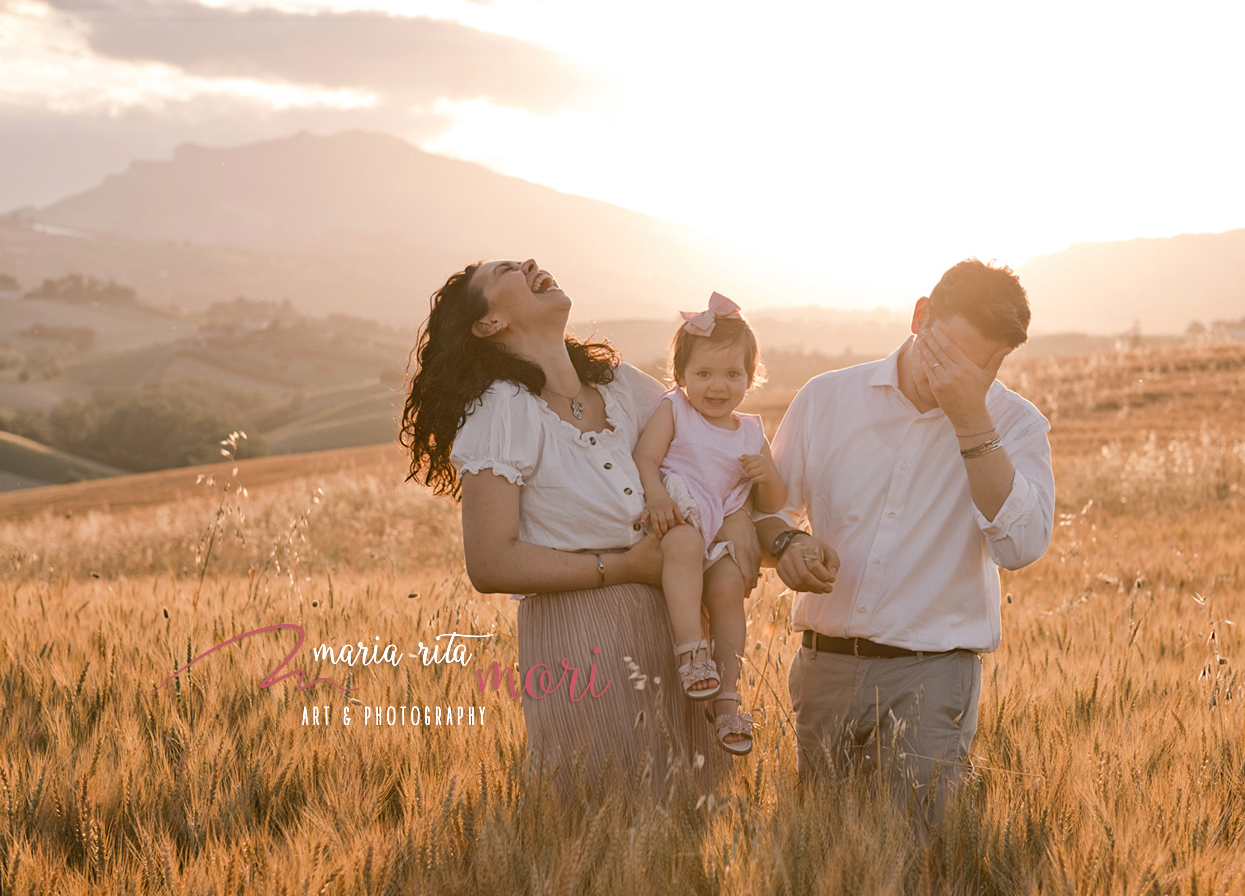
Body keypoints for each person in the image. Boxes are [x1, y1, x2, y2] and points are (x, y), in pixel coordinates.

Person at [400, 257, 725, 802]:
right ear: (488, 324)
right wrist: (624, 567)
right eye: (507, 269)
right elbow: (490, 562)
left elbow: (713, 462)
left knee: (694, 820)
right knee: (604, 822)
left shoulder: (625, 388)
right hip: (583, 638)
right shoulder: (501, 410)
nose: (530, 262)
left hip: (680, 635)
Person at [753, 258, 1055, 839]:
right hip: (825, 670)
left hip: (932, 677)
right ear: (921, 318)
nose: (967, 377)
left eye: (987, 366)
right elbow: (767, 510)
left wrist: (971, 418)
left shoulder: (1015, 425)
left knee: (921, 855)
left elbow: (1019, 546)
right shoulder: (826, 399)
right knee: (818, 851)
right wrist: (787, 542)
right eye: (954, 356)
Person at [632, 293, 786, 756]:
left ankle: (727, 695)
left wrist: (768, 475)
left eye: (732, 374)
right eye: (703, 374)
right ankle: (691, 652)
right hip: (681, 509)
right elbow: (646, 457)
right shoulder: (674, 409)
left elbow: (772, 501)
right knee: (680, 546)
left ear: (750, 376)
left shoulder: (752, 430)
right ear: (681, 377)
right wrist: (656, 496)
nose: (717, 386)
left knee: (726, 587)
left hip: (722, 528)